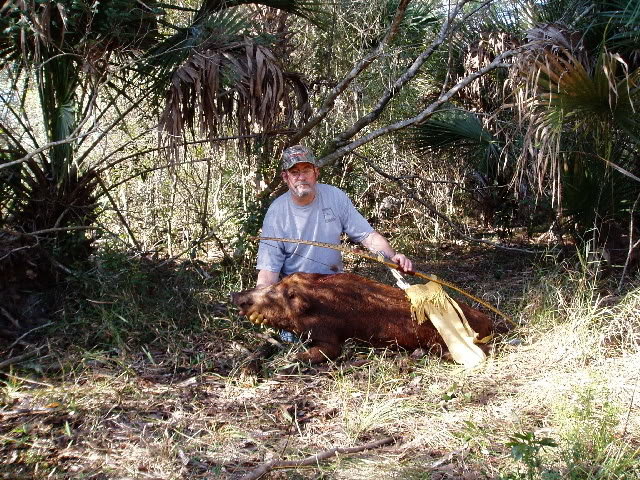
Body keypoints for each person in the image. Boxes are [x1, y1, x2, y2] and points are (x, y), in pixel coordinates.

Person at [256, 145, 413, 290]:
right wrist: (260, 296)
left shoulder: (334, 196)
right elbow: (269, 270)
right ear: (285, 177)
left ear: (316, 172)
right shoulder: (276, 213)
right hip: (297, 293)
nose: (301, 177)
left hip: (335, 287)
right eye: (294, 172)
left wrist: (393, 257)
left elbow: (367, 235)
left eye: (306, 170)